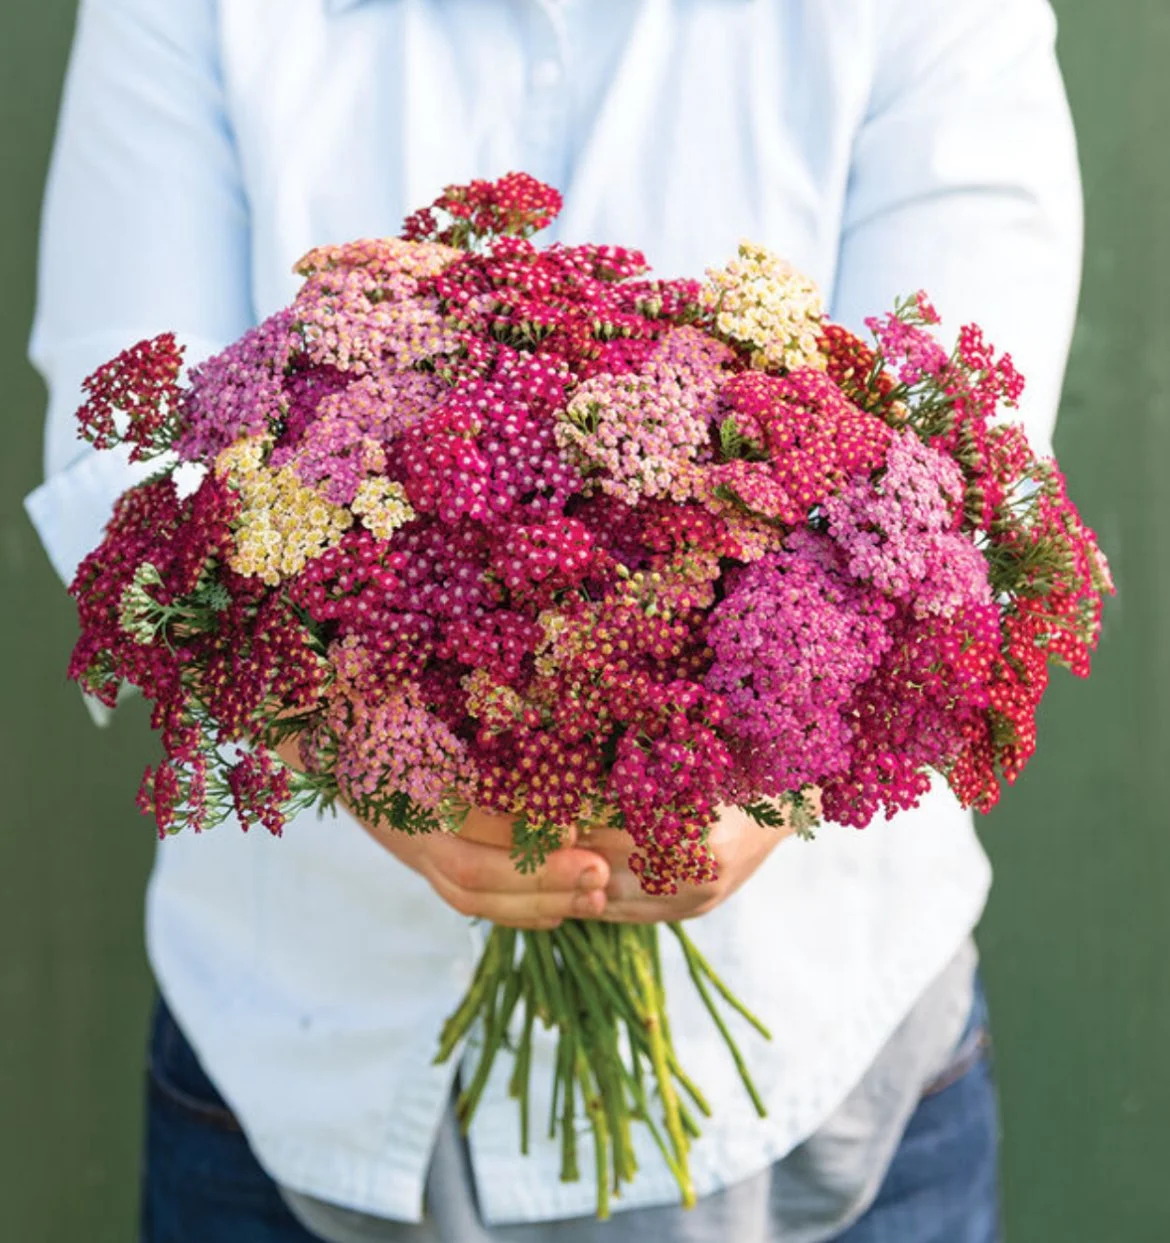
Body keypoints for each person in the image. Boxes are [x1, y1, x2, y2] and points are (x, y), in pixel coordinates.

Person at [25, 1, 1082, 1240]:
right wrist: (359, 748)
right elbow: (124, 476)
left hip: (818, 1062)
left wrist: (757, 772)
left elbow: (959, 472)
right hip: (298, 1053)